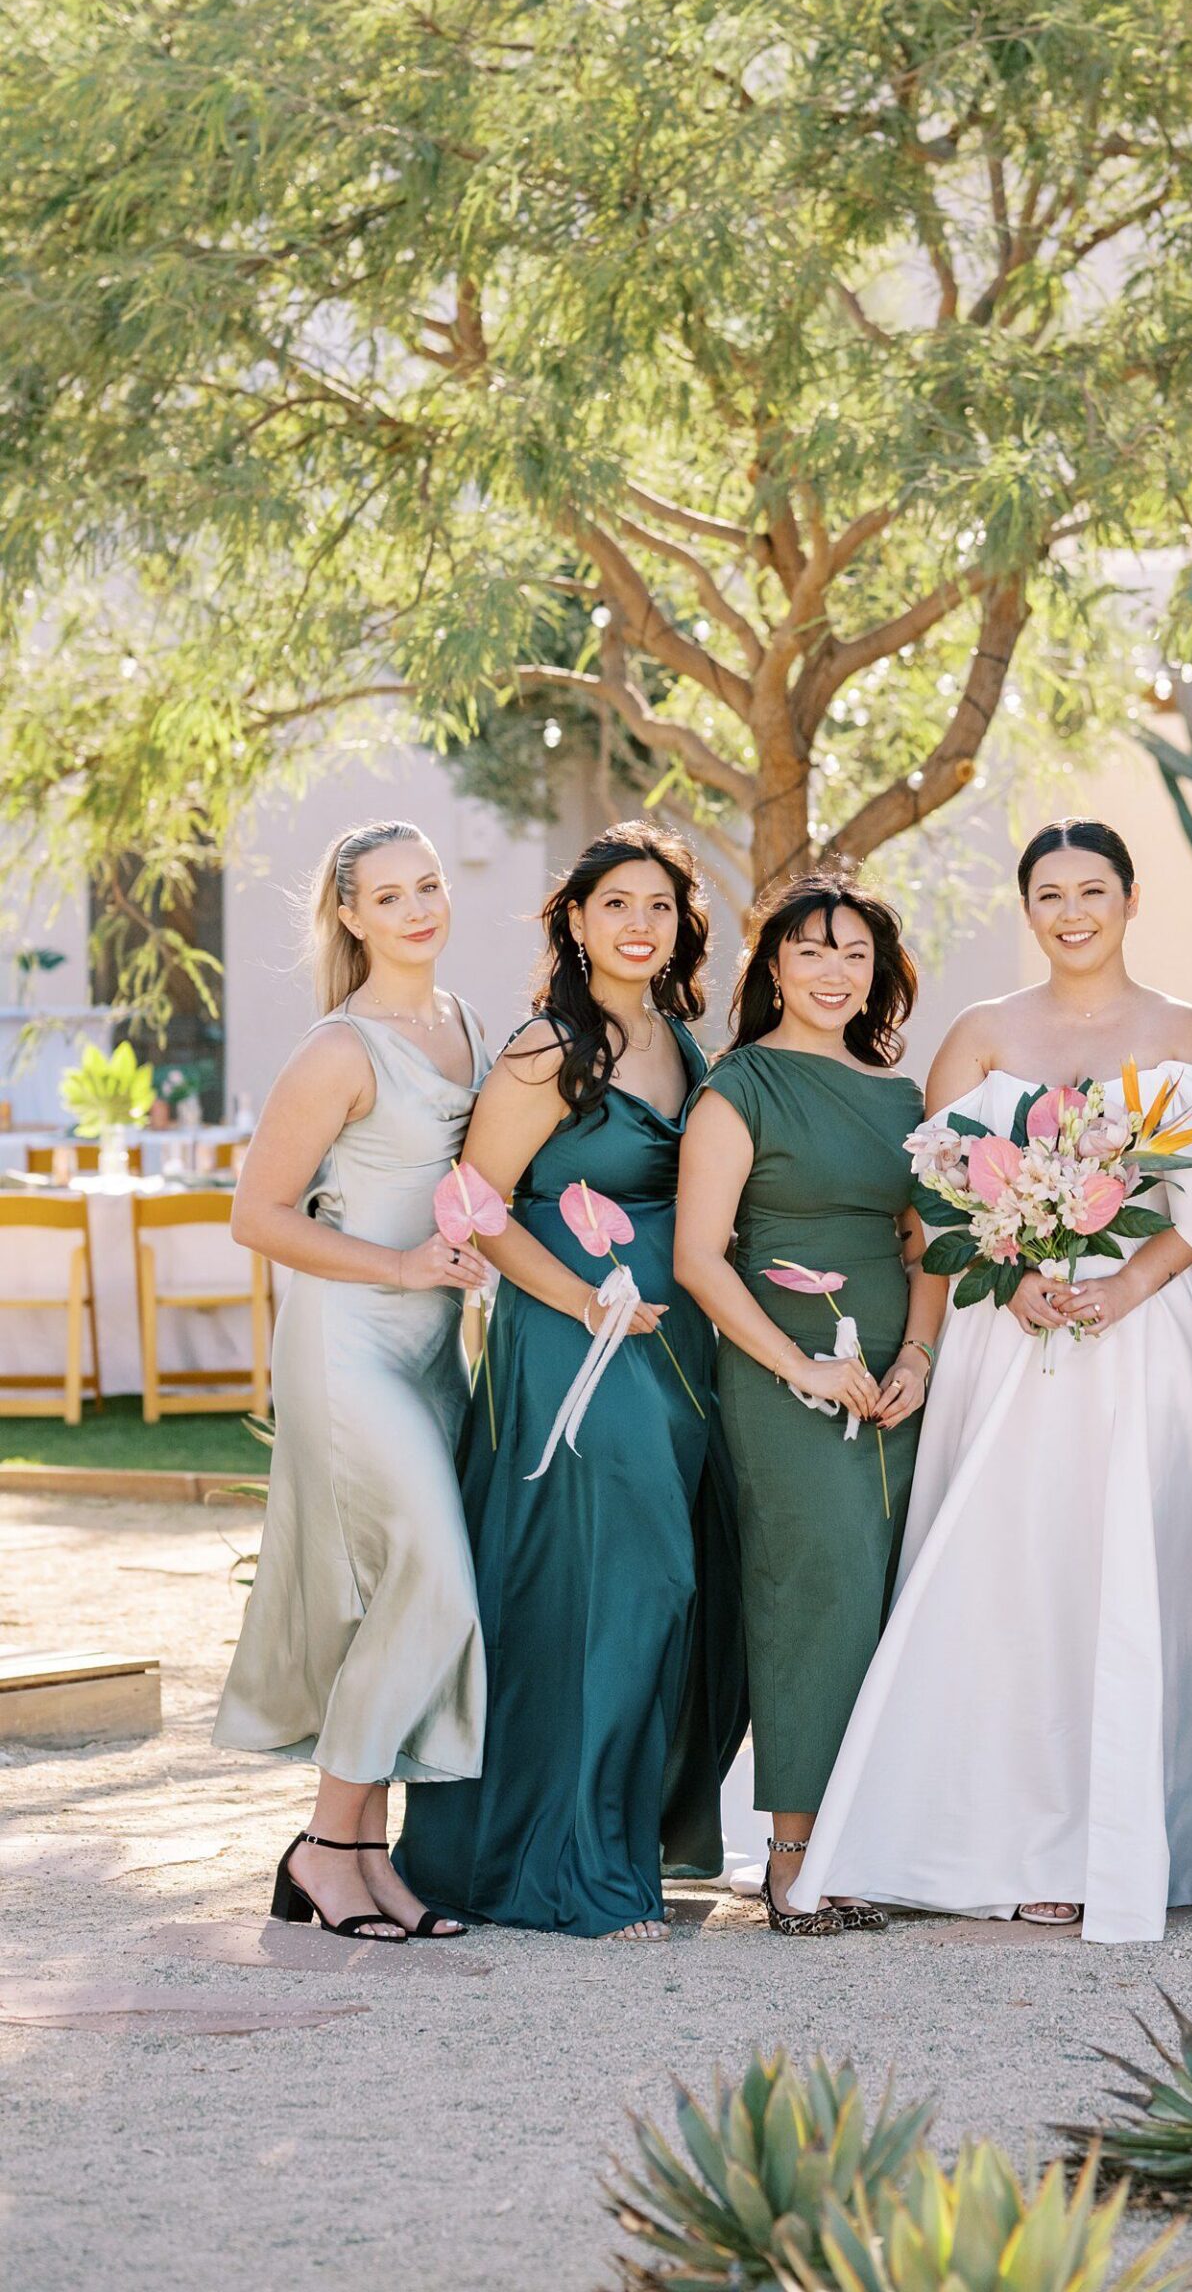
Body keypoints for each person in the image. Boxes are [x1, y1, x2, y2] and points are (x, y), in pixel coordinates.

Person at [788, 821, 1192, 1944]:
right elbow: (933, 1201)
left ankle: (1123, 1837)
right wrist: (1016, 1270)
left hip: (1144, 1341)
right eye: (1050, 892)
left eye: (1095, 888)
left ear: (1132, 898)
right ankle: (996, 1835)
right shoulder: (982, 1033)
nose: (1073, 910)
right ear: (1026, 908)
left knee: (1133, 1572)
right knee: (1013, 1577)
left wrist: (1127, 1283)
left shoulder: (1188, 1031)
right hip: (1015, 1337)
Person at [394, 823, 746, 1941]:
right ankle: (576, 1873)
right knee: (613, 1589)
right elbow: (477, 1203)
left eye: (659, 907)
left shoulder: (679, 1038)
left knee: (660, 1588)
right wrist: (580, 1300)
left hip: (677, 1340)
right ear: (576, 921)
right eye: (617, 906)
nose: (640, 925)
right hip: (575, 1350)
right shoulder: (549, 1046)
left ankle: (613, 1843)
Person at [216, 821, 488, 1942]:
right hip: (345, 1339)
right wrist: (401, 1264)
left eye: (429, 885)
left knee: (402, 1591)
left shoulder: (467, 1023)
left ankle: (358, 1853)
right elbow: (255, 1214)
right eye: (391, 894)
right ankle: (331, 1843)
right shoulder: (339, 1047)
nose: (419, 907)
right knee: (437, 1575)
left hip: (435, 1340)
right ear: (351, 915)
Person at [674, 872, 939, 1936]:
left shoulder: (902, 1096)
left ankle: (865, 1839)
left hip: (896, 1370)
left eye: (856, 955)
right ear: (773, 965)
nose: (836, 972)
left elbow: (929, 1243)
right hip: (786, 1370)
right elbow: (699, 1257)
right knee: (811, 1590)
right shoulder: (739, 1089)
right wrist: (801, 1365)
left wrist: (919, 1353)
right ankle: (792, 1853)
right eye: (814, 951)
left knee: (888, 1597)